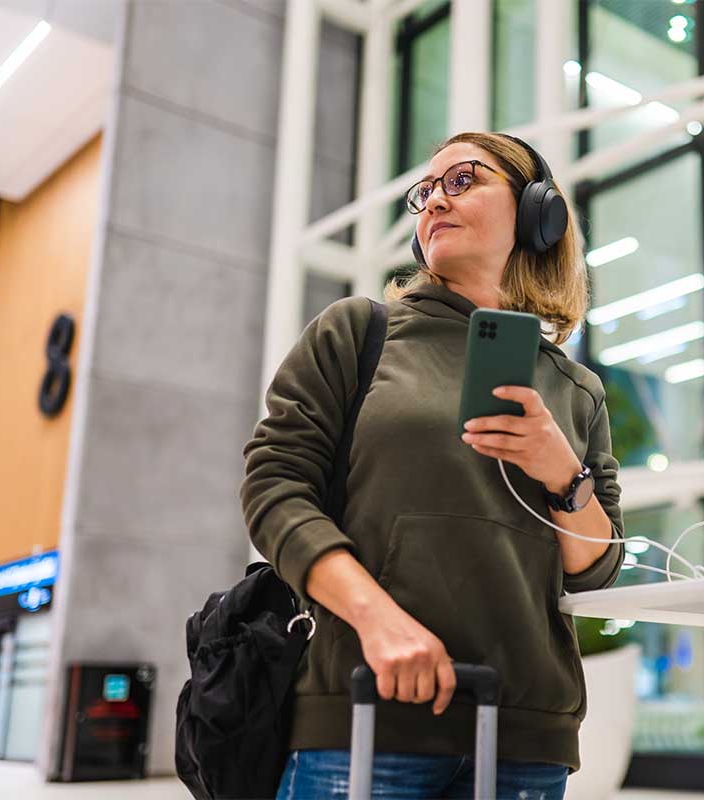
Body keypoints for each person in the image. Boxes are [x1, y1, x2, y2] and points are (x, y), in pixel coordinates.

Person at [240, 131, 626, 800]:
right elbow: (274, 489)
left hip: (525, 740)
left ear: (540, 213)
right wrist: (376, 620)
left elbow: (595, 568)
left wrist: (563, 473)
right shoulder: (358, 333)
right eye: (426, 191)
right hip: (366, 714)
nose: (434, 204)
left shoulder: (577, 390)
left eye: (463, 181)